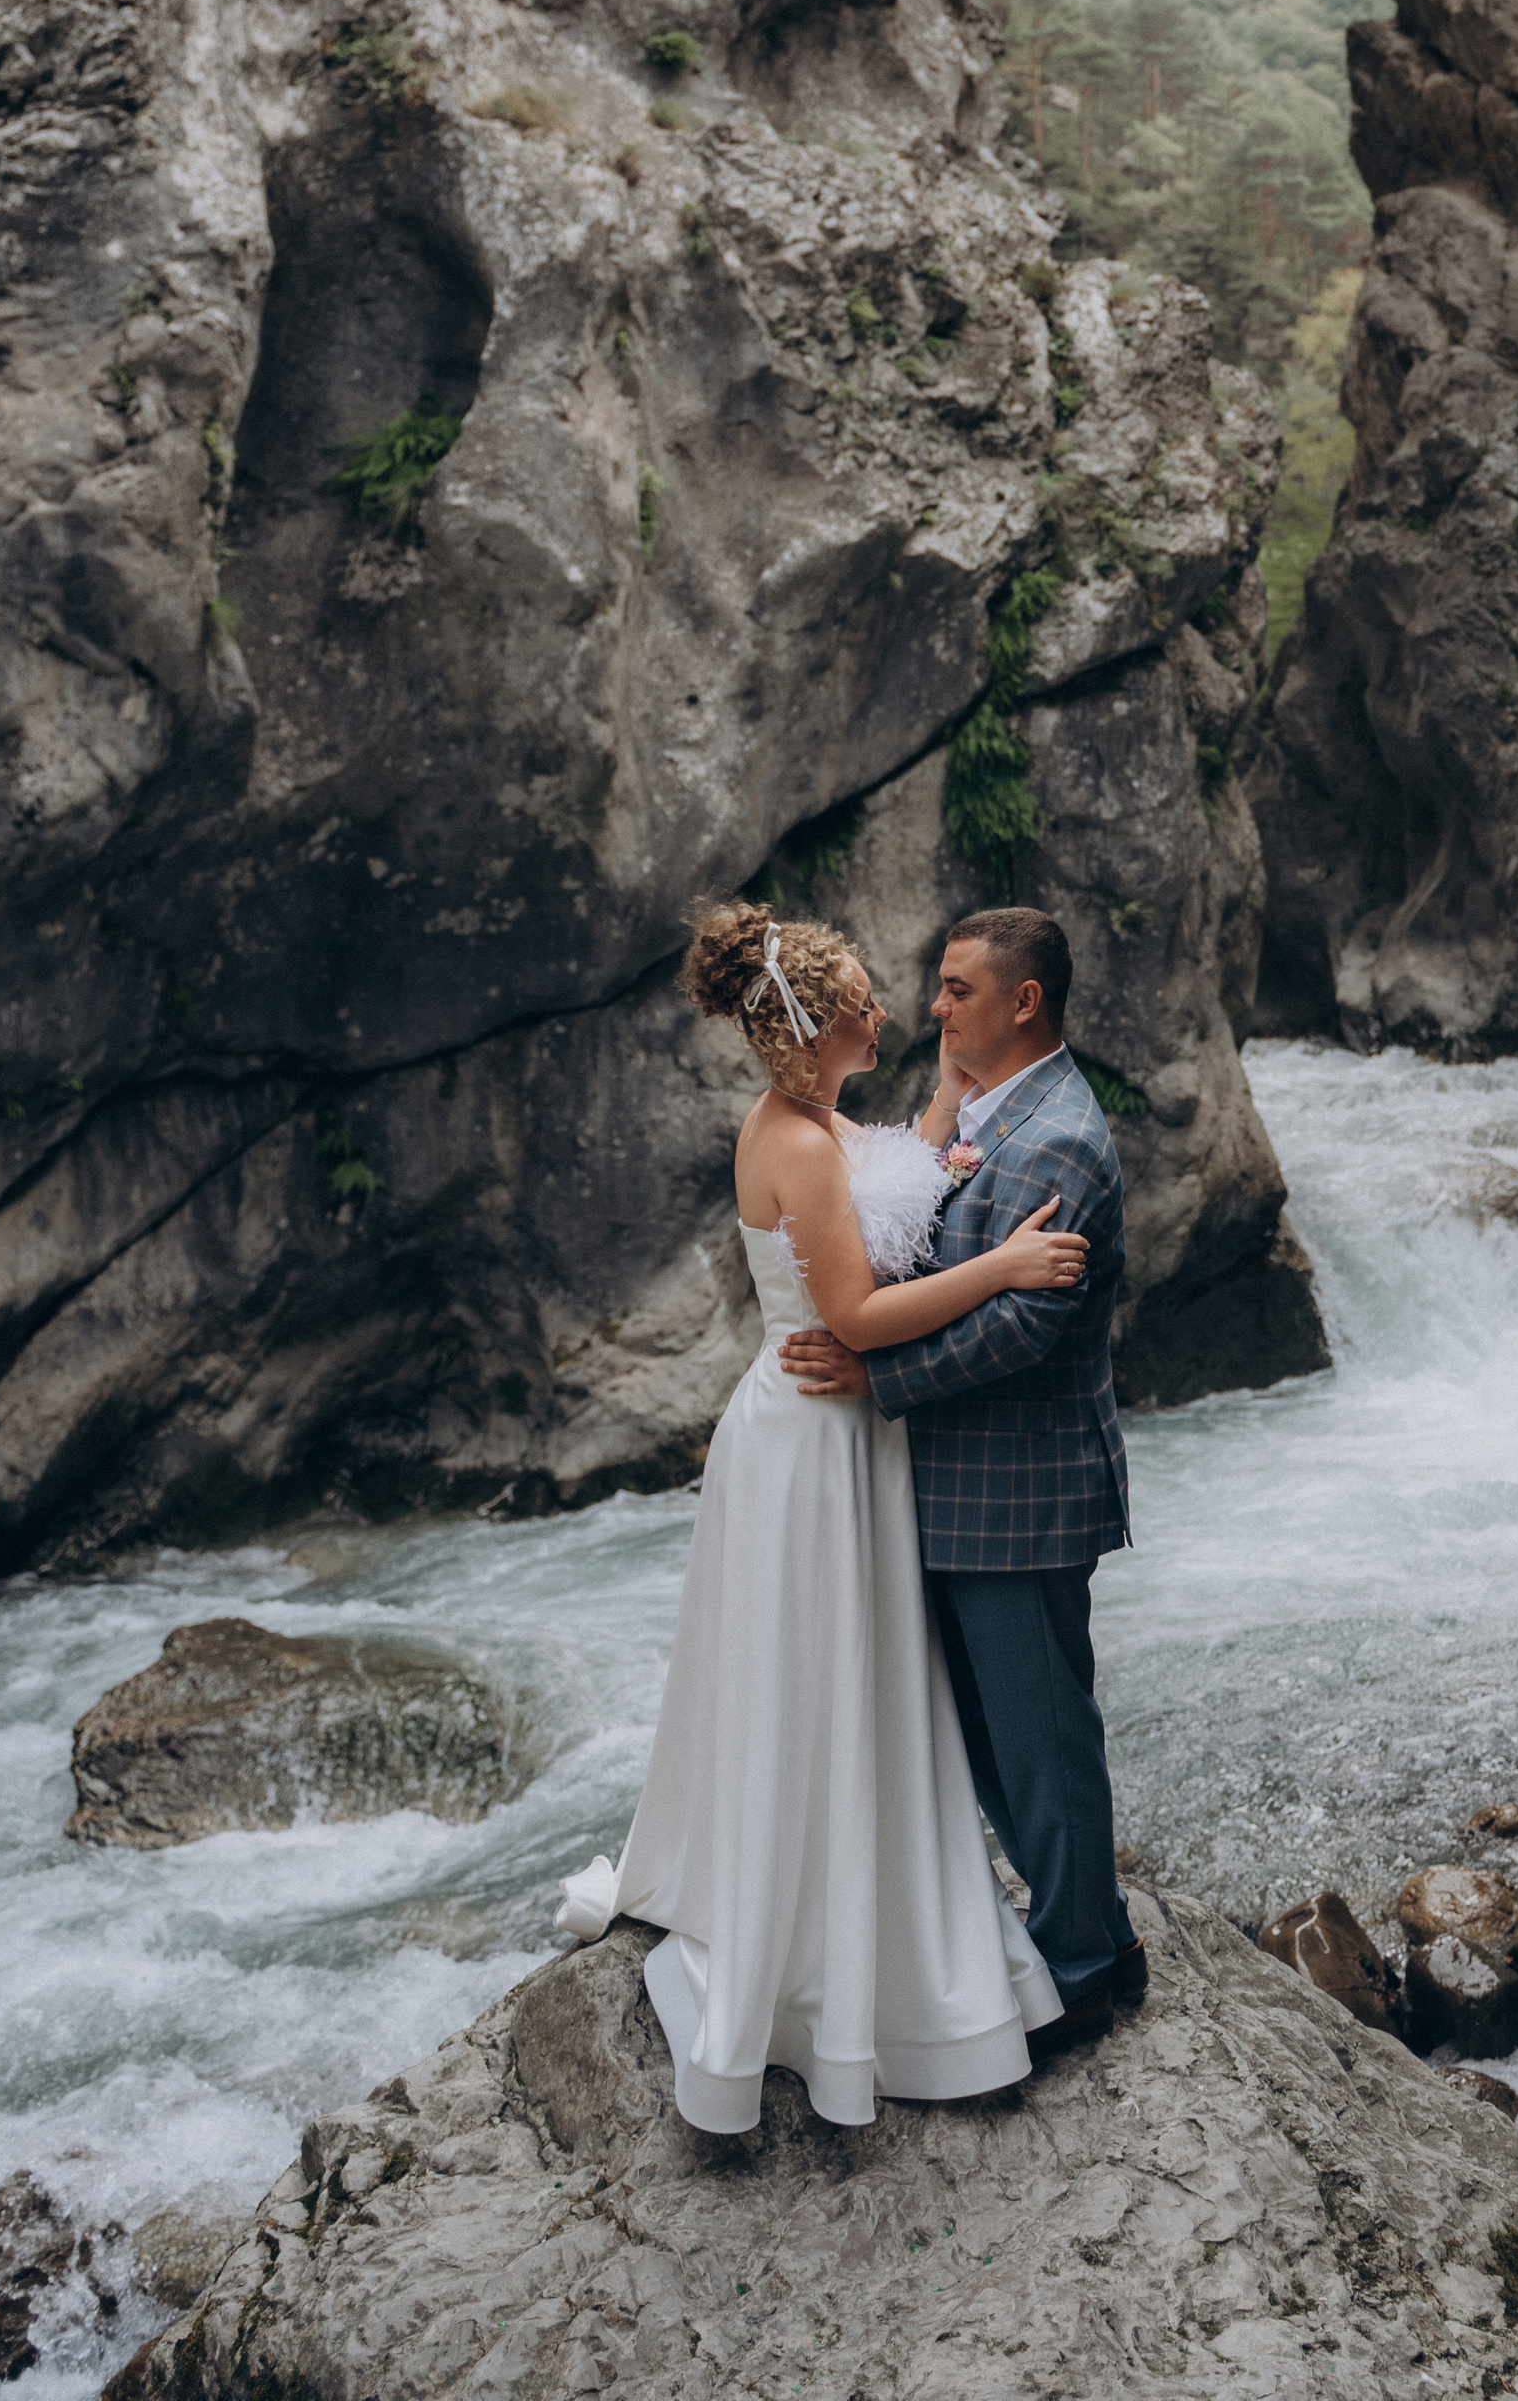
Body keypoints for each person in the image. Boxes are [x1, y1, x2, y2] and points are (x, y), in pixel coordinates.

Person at [549, 903, 1088, 2129]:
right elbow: (850, 1315)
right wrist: (1001, 1269)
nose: (888, 1013)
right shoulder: (789, 1145)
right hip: (811, 1441)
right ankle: (824, 1956)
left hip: (842, 1441)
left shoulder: (816, 1123)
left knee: (859, 1678)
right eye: (862, 1001)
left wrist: (949, 1109)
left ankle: (871, 1905)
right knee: (821, 1679)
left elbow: (890, 1171)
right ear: (811, 1026)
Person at [780, 907, 1144, 2051]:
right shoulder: (989, 1114)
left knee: (1040, 1741)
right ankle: (1062, 1935)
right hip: (950, 1490)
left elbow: (1023, 1330)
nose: (932, 1006)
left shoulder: (1064, 1140)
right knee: (986, 1745)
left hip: (1021, 1496)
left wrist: (869, 1375)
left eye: (953, 989)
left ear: (1021, 1001)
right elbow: (923, 1223)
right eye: (935, 989)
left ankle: (1093, 1964)